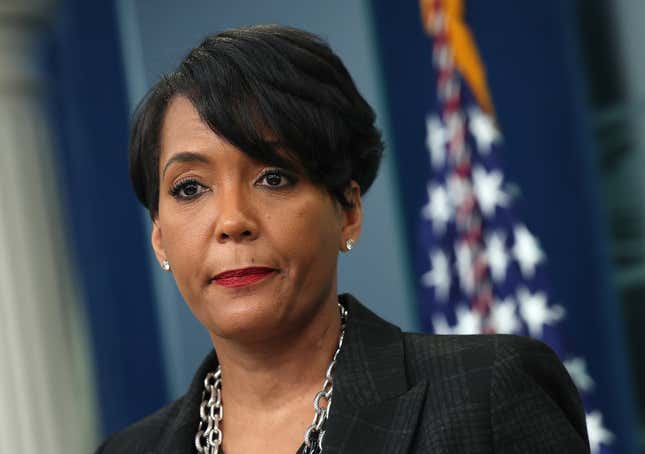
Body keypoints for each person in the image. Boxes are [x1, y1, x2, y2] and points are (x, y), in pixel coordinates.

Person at [96, 25, 590, 453]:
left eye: (274, 177)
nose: (232, 221)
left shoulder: (488, 394)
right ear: (159, 237)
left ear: (348, 210)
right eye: (190, 188)